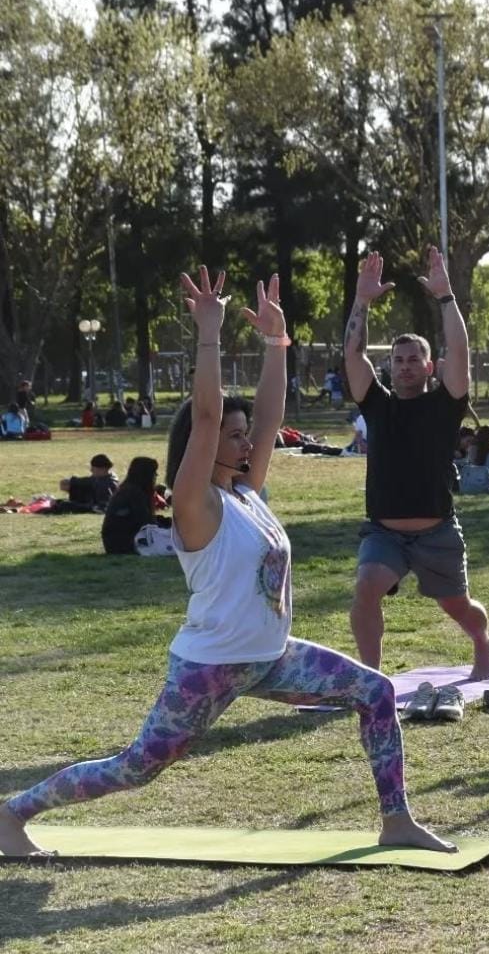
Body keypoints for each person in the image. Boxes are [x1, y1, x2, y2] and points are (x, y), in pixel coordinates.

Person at [0, 266, 457, 860]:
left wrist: (276, 342)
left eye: (246, 437)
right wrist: (209, 333)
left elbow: (269, 416)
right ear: (205, 442)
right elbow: (209, 416)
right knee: (136, 768)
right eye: (234, 436)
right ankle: (14, 812)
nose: (248, 443)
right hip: (209, 667)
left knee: (375, 691)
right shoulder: (197, 504)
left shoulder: (247, 493)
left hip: (271, 658)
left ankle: (396, 820)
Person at [343, 247, 489, 680]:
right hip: (384, 531)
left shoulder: (444, 403)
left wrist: (446, 297)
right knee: (366, 585)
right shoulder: (376, 403)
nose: (406, 366)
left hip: (436, 531)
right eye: (399, 360)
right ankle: (371, 678)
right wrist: (362, 299)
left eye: (414, 360)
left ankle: (483, 643)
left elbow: (461, 350)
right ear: (389, 366)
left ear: (429, 367)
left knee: (458, 607)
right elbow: (353, 355)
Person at [101, 456, 171, 554]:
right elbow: (146, 523)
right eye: (153, 472)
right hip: (123, 544)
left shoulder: (128, 490)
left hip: (115, 543)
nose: (156, 475)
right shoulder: (134, 493)